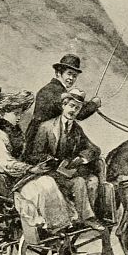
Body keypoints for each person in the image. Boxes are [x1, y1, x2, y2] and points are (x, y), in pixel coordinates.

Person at [0, 91, 76, 234]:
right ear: (4, 113)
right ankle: (48, 227)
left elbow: (23, 156)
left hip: (22, 174)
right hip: (8, 177)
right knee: (38, 191)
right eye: (16, 114)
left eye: (20, 113)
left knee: (49, 182)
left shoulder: (15, 132)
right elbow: (7, 163)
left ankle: (59, 224)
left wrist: (40, 162)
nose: (19, 117)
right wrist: (31, 169)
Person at [28, 88, 104, 231]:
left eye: (77, 108)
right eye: (71, 106)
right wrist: (52, 161)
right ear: (63, 105)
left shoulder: (76, 129)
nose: (73, 110)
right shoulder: (46, 127)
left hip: (67, 173)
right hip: (47, 173)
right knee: (77, 182)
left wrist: (82, 158)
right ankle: (79, 219)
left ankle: (85, 219)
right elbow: (34, 154)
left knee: (86, 181)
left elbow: (94, 149)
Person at [25, 54, 101, 157]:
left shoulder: (57, 90)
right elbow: (79, 114)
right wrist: (93, 104)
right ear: (58, 73)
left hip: (55, 137)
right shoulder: (52, 90)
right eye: (69, 74)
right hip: (41, 141)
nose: (71, 78)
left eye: (74, 76)